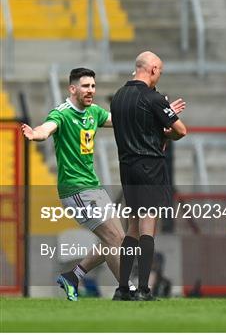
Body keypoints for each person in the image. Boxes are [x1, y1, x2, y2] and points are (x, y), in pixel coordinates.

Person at [21, 67, 127, 301]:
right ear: (72, 88)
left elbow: (118, 121)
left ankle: (73, 275)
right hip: (76, 189)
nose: (91, 91)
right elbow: (46, 128)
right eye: (85, 86)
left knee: (118, 238)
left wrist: (150, 119)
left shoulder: (94, 113)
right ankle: (126, 291)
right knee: (113, 239)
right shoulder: (62, 113)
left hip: (94, 186)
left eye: (93, 86)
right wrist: (36, 134)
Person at [110, 51, 187, 301]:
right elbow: (180, 131)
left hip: (127, 167)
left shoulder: (119, 97)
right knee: (148, 226)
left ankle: (123, 288)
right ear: (152, 69)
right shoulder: (153, 98)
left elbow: (140, 126)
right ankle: (143, 288)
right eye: (160, 72)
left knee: (132, 227)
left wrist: (161, 115)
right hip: (149, 168)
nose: (159, 77)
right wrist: (166, 122)